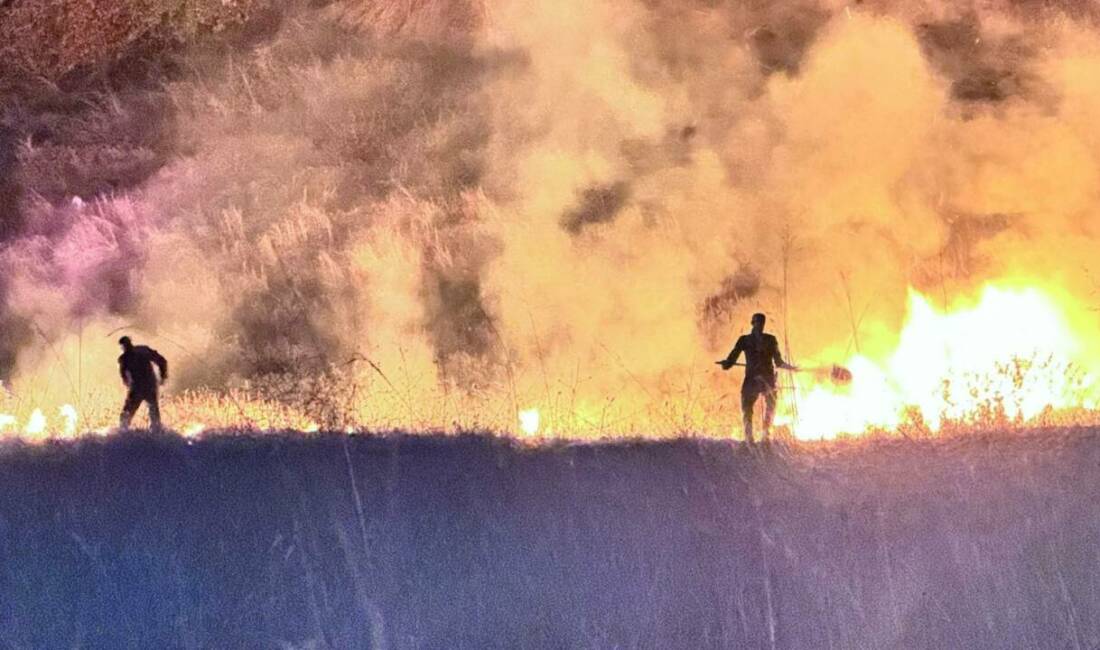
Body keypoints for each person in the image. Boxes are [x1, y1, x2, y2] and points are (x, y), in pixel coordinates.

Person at [718, 313, 794, 443]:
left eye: (761, 323)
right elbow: (733, 357)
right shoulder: (744, 340)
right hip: (752, 378)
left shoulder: (771, 340)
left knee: (771, 405)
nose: (759, 325)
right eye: (757, 322)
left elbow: (778, 361)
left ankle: (766, 436)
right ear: (752, 323)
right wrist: (727, 363)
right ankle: (749, 437)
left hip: (767, 378)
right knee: (746, 407)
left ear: (763, 324)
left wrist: (789, 367)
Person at [118, 336, 168, 430]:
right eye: (124, 346)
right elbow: (123, 375)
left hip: (147, 387)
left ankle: (156, 435)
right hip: (140, 388)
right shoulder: (124, 359)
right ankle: (123, 435)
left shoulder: (143, 351)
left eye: (126, 345)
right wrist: (128, 384)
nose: (126, 348)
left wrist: (163, 376)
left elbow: (162, 361)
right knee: (125, 416)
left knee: (153, 415)